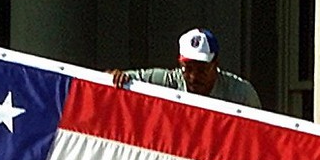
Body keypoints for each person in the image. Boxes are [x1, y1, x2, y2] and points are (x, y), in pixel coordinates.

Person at [109, 28, 262, 108]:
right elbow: (114, 80)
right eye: (187, 69)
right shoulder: (169, 81)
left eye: (202, 70)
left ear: (215, 65)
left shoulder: (242, 94)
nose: (193, 77)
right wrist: (113, 77)